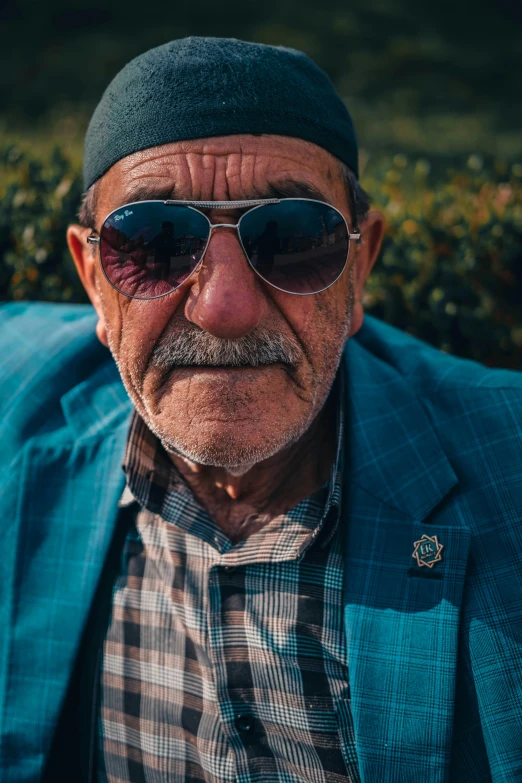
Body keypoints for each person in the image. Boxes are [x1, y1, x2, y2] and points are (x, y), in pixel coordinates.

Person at [1, 37, 521, 783]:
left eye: (292, 238)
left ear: (361, 267)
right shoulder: (18, 414)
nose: (225, 310)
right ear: (92, 280)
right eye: (152, 242)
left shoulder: (509, 469)